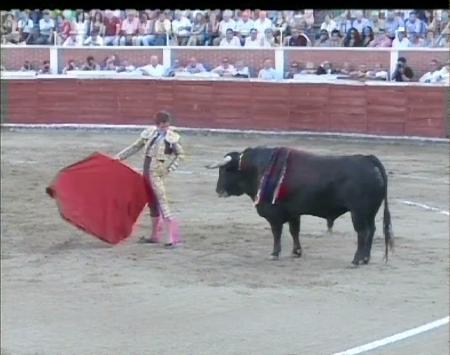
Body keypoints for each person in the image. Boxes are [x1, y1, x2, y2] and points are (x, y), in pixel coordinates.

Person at [115, 111, 185, 247]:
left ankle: (170, 239)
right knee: (152, 203)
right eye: (163, 125)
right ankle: (154, 236)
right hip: (146, 173)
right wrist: (118, 157)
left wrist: (169, 169)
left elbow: (180, 155)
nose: (166, 128)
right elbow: (135, 147)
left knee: (162, 202)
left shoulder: (171, 138)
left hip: (156, 174)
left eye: (167, 125)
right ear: (157, 124)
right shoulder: (149, 133)